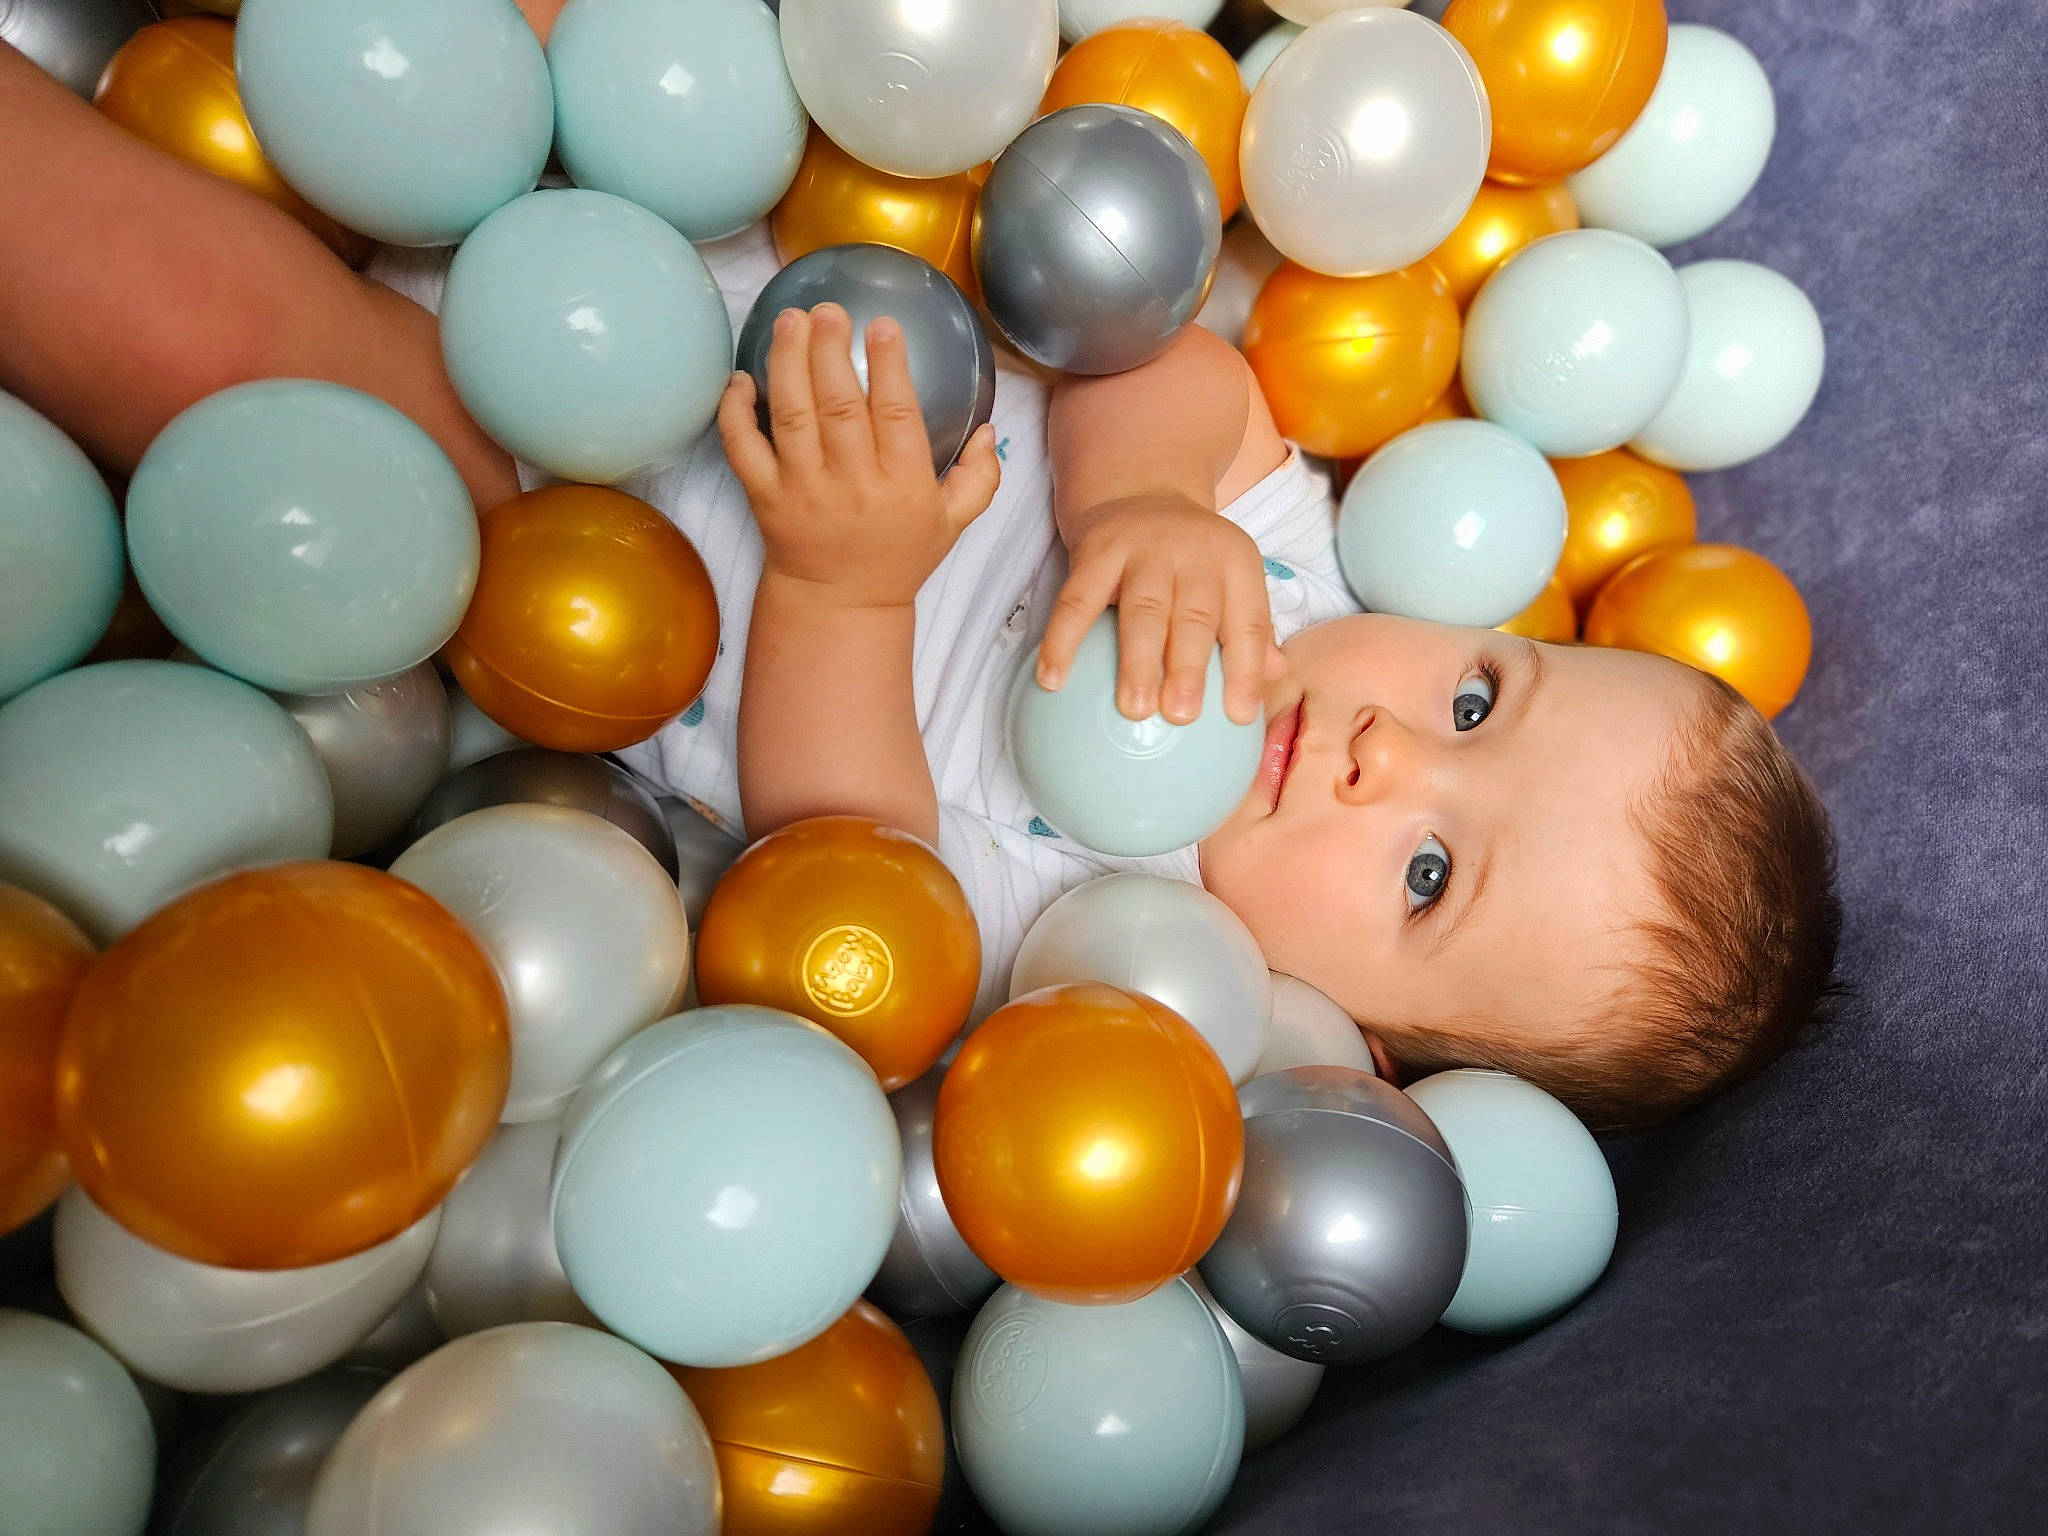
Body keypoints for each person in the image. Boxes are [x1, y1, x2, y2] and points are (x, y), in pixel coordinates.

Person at [0, 37, 1838, 1132]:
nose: (1382, 750)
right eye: (1477, 702)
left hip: (532, 517)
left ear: (1355, 1043)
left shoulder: (1098, 933)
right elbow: (1171, 375)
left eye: (1432, 872)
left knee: (211, 341)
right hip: (689, 240)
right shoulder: (1293, 568)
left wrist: (848, 585)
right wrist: (1141, 505)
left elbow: (845, 846)